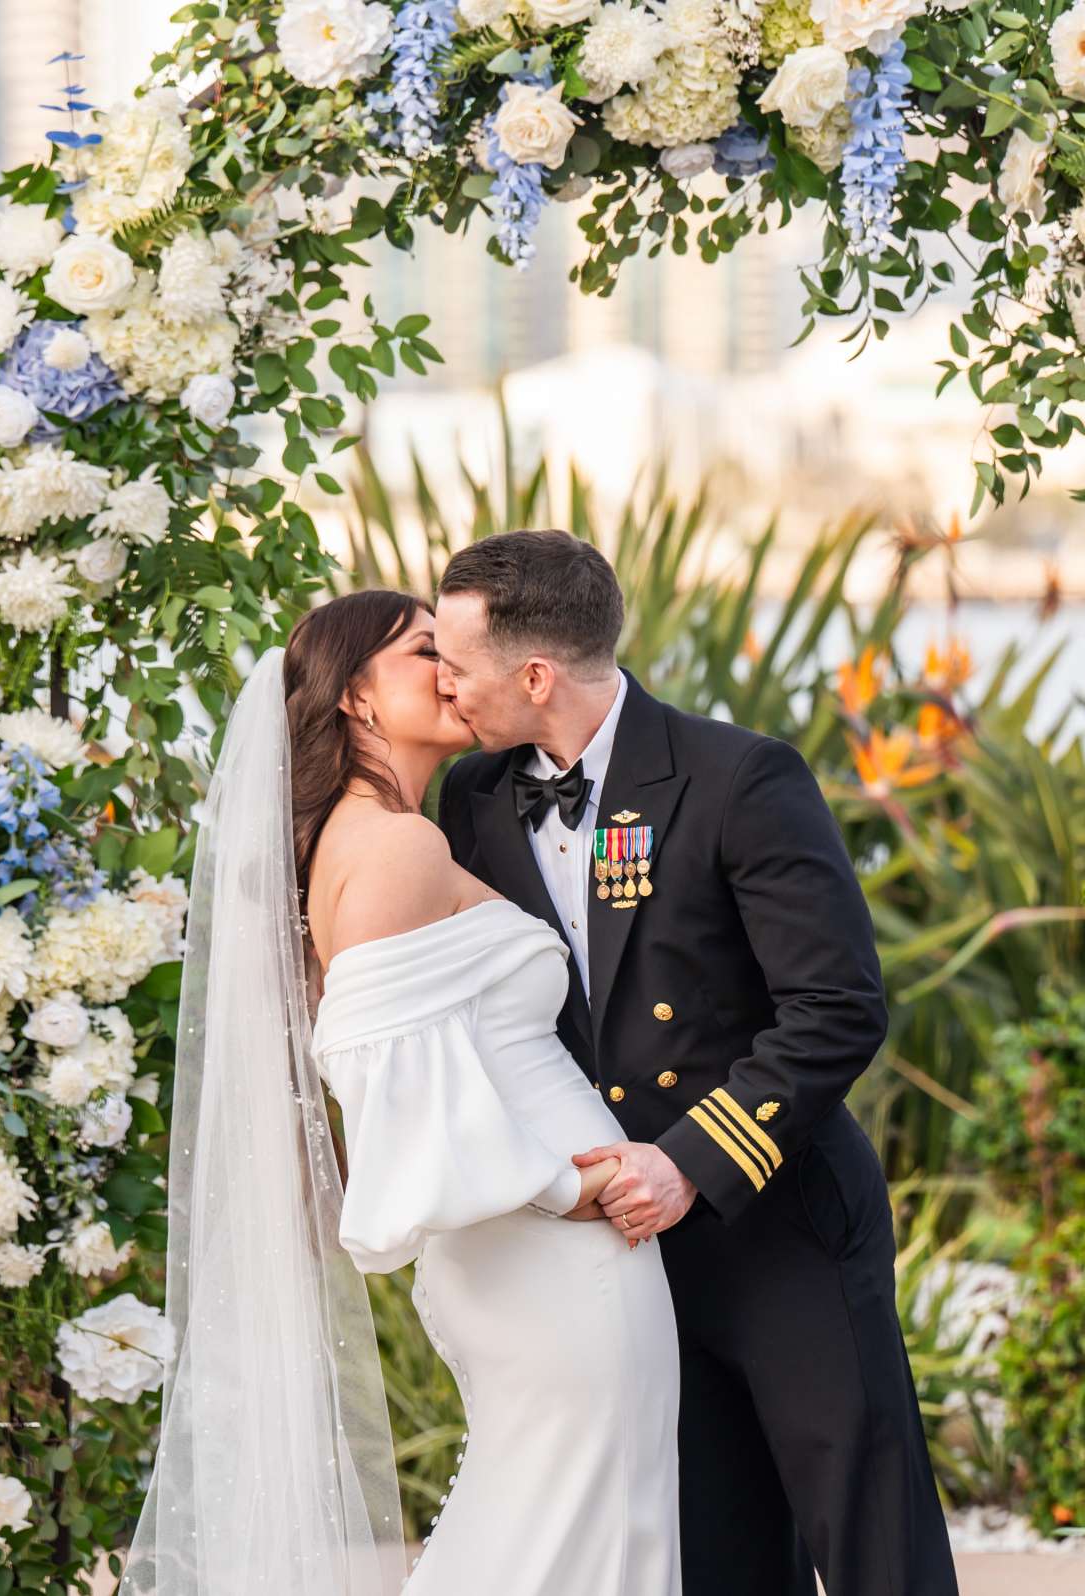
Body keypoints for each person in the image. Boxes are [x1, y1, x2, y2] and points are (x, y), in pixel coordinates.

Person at [433, 530, 959, 1596]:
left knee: (870, 1544)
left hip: (776, 1221)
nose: (446, 688)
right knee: (709, 1552)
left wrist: (687, 1162)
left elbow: (836, 1008)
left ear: (534, 675)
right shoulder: (474, 801)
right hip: (618, 1255)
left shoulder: (737, 778)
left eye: (458, 663)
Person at [127, 589, 681, 1596]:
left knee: (574, 1516)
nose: (455, 668)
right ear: (355, 701)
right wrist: (568, 1186)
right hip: (544, 1247)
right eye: (426, 650)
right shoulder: (392, 846)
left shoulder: (397, 834)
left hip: (535, 1244)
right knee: (561, 1529)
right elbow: (383, 1080)